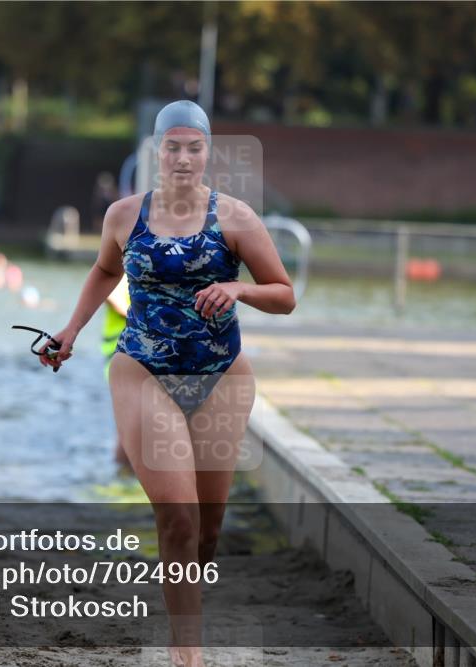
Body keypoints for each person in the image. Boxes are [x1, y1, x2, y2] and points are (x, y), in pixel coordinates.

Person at [41, 100, 296, 667]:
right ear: (157, 151)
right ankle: (188, 655)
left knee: (206, 531)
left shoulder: (235, 218)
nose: (183, 158)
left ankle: (184, 612)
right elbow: (105, 269)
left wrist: (239, 289)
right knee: (177, 516)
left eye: (194, 147)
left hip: (221, 376)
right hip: (142, 369)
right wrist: (71, 330)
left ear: (208, 153)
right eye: (172, 147)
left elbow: (284, 294)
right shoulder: (123, 215)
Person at [102, 274, 132, 471]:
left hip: (132, 351)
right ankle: (122, 470)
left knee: (133, 418)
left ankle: (124, 470)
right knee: (129, 419)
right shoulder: (123, 272)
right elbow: (109, 295)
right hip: (119, 351)